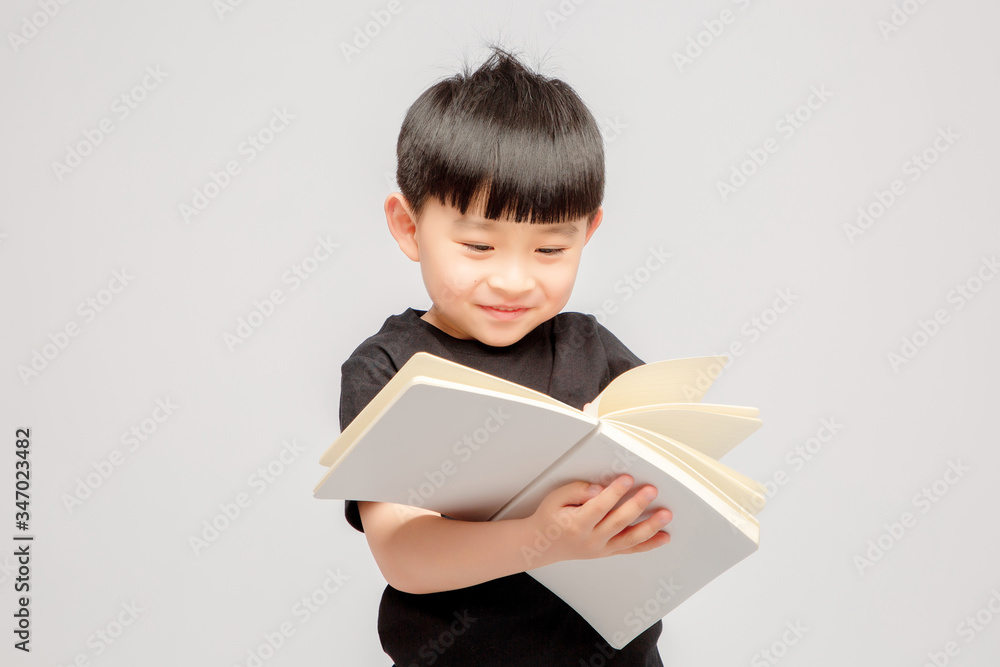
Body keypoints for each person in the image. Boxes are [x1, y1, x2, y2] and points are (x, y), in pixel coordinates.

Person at [339, 45, 673, 666]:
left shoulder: (591, 349)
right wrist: (543, 539)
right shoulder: (389, 370)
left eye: (549, 251)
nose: (515, 281)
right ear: (409, 227)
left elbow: (666, 482)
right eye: (477, 245)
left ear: (588, 232)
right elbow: (403, 555)